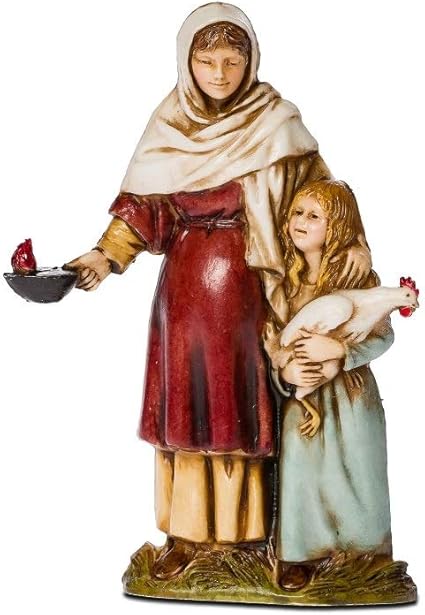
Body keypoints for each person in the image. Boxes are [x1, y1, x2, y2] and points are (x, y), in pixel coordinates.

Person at [64, 3, 371, 580]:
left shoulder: (275, 123)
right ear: (188, 64)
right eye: (207, 62)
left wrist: (353, 242)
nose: (220, 74)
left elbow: (323, 196)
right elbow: (145, 208)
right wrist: (105, 255)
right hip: (183, 296)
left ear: (251, 61)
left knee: (241, 408)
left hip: (250, 289)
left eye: (232, 61)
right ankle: (185, 536)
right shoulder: (170, 127)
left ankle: (250, 536)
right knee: (185, 410)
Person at [271, 180, 393, 591]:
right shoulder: (283, 282)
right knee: (301, 474)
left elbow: (383, 336)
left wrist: (341, 351)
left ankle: (365, 552)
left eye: (314, 216)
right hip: (302, 398)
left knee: (357, 470)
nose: (300, 222)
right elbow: (269, 339)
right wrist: (285, 372)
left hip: (350, 398)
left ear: (337, 226)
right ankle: (300, 555)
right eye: (296, 213)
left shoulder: (358, 276)